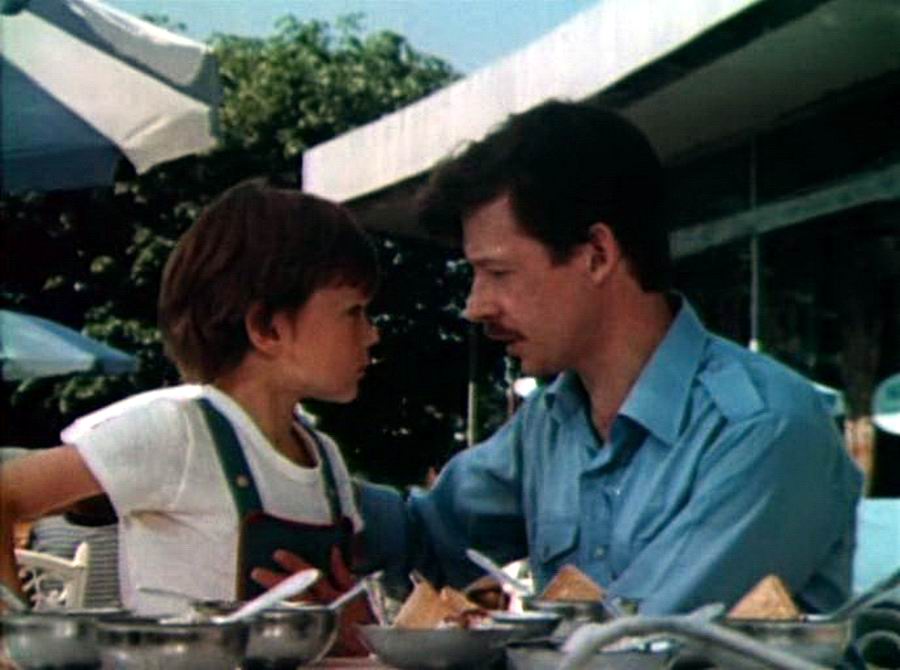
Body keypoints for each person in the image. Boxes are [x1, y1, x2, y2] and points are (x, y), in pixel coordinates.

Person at [267, 100, 864, 616]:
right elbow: (425, 538)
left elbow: (637, 651)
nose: (475, 306)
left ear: (597, 254)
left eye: (498, 273)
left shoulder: (762, 428)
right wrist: (275, 453)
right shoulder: (552, 423)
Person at [0, 179, 380, 633]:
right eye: (353, 312)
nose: (372, 333)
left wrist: (352, 624)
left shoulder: (327, 459)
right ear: (267, 328)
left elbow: (350, 616)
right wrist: (16, 631)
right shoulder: (175, 431)